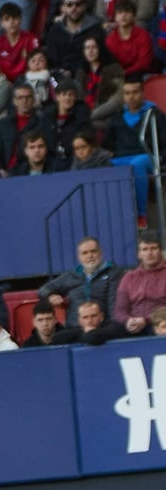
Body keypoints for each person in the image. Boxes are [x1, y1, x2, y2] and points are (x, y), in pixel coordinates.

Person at [103, 76, 161, 227]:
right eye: (127, 93)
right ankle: (116, 216)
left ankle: (141, 216)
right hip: (122, 157)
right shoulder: (117, 117)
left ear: (142, 93)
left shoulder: (154, 113)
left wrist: (161, 157)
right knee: (105, 165)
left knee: (137, 164)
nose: (131, 97)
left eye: (135, 92)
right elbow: (108, 145)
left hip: (148, 157)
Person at [38, 236, 124, 322]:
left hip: (102, 325)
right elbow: (43, 290)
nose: (90, 256)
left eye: (93, 251)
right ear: (79, 257)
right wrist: (51, 296)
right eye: (85, 253)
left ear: (101, 253)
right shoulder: (71, 275)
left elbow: (113, 304)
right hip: (75, 326)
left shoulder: (113, 273)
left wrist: (113, 325)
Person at [114, 236, 166, 336]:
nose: (149, 253)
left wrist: (146, 320)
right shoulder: (129, 277)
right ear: (139, 254)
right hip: (132, 324)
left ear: (160, 252)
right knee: (103, 334)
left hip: (159, 322)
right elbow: (119, 310)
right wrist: (128, 320)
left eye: (153, 248)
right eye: (145, 249)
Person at [45, 0, 104, 76]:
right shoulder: (54, 30)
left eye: (78, 4)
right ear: (63, 8)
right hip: (60, 76)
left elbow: (101, 57)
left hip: (88, 76)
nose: (74, 8)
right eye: (69, 4)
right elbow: (51, 59)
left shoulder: (96, 29)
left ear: (84, 6)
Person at [0, 2, 39, 82]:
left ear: (20, 19)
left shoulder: (31, 39)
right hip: (4, 81)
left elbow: (35, 65)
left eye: (15, 18)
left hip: (26, 80)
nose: (12, 22)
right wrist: (24, 60)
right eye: (7, 19)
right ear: (1, 23)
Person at [53, 300, 125, 345]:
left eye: (94, 316)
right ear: (79, 320)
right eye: (85, 317)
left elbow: (94, 338)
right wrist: (85, 332)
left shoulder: (112, 327)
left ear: (101, 317)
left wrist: (88, 333)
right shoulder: (76, 330)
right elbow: (55, 339)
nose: (89, 321)